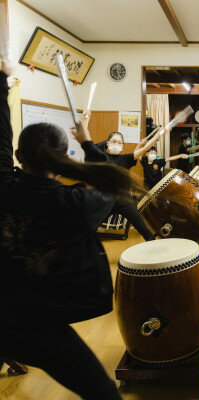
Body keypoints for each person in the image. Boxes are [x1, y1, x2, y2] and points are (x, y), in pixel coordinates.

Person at [0, 62, 128, 400]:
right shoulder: (74, 204)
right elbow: (110, 180)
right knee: (104, 395)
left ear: (17, 156)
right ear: (62, 157)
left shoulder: (4, 186)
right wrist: (87, 143)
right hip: (41, 325)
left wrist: (1, 81)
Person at [80, 114, 160, 241]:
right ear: (107, 143)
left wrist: (158, 135)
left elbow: (145, 148)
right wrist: (86, 119)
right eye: (113, 141)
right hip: (104, 198)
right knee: (89, 228)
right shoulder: (100, 156)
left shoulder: (125, 159)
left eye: (119, 142)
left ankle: (156, 248)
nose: (116, 144)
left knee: (143, 227)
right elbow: (86, 141)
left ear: (123, 144)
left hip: (123, 199)